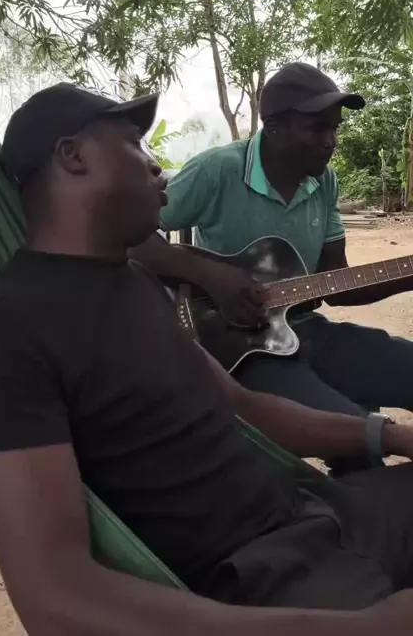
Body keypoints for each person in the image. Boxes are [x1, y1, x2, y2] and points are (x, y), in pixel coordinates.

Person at [0, 82, 413, 636]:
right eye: (134, 143)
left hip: (319, 512)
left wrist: (395, 436)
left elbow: (247, 408)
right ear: (73, 155)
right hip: (261, 578)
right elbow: (54, 597)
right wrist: (371, 626)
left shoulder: (138, 284)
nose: (157, 165)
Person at [134, 63, 413, 454]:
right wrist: (212, 276)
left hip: (304, 328)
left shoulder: (324, 180)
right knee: (356, 436)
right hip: (240, 346)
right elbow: (130, 237)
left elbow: (338, 285)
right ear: (275, 128)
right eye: (317, 128)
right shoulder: (218, 170)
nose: (331, 141)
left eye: (335, 128)